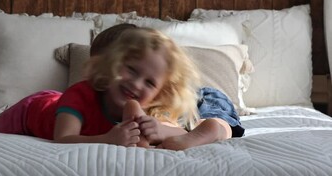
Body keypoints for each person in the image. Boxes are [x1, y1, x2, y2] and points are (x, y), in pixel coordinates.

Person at [0, 26, 201, 148]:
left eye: (150, 82)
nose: (136, 83)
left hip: (60, 107)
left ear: (161, 92)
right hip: (36, 111)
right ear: (112, 64)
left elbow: (177, 130)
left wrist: (161, 128)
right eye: (130, 69)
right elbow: (63, 139)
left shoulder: (146, 106)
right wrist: (107, 140)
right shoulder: (80, 95)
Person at [89, 24, 245, 150]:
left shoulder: (155, 96)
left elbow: (165, 123)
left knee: (216, 121)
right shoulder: (93, 95)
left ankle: (215, 129)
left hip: (201, 97)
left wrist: (162, 131)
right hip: (174, 112)